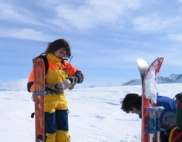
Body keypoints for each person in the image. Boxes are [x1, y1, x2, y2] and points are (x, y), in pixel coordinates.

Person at [27, 39, 84, 142]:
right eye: (61, 52)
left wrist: (73, 79)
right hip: (47, 103)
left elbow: (80, 74)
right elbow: (30, 85)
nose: (63, 55)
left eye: (65, 53)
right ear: (53, 49)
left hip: (62, 102)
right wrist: (45, 87)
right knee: (50, 135)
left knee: (63, 134)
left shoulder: (64, 64)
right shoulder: (43, 62)